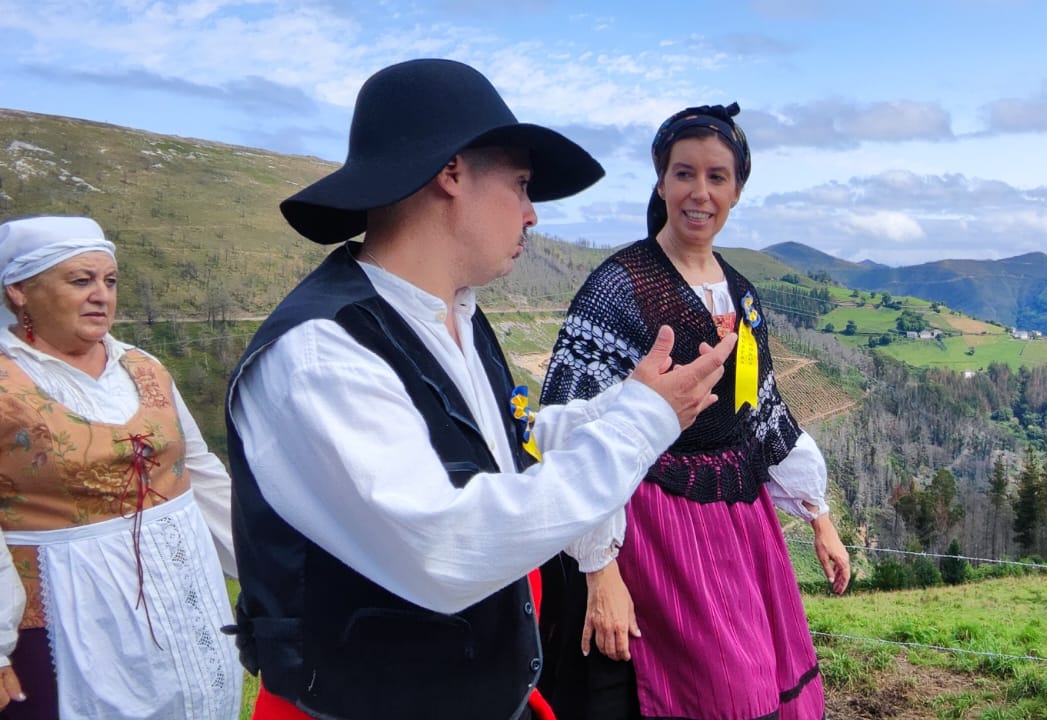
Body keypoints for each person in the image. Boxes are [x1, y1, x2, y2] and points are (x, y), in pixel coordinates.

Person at [225, 58, 734, 720]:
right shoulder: (321, 356)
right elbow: (446, 546)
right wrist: (639, 422)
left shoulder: (451, 315)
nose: (531, 215)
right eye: (521, 185)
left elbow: (507, 450)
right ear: (451, 171)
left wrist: (632, 402)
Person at [537, 103, 850, 720]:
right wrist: (601, 572)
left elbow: (760, 410)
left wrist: (820, 517)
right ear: (661, 182)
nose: (698, 193)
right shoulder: (619, 286)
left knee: (757, 681)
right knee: (704, 690)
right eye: (684, 174)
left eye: (716, 177)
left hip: (739, 524)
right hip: (651, 522)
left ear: (737, 190)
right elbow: (571, 427)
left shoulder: (741, 293)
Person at [0, 215, 242, 719]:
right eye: (80, 280)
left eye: (109, 281)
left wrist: (264, 567)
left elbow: (198, 471)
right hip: (75, 613)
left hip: (184, 590)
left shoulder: (143, 366)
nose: (101, 296)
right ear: (19, 290)